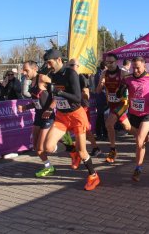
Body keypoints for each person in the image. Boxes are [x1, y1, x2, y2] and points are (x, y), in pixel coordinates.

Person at [41, 49, 100, 191]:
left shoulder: (71, 73)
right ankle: (71, 150)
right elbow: (55, 95)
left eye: (50, 62)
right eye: (47, 63)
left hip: (76, 115)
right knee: (48, 147)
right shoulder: (51, 74)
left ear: (59, 60)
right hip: (62, 116)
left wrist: (58, 91)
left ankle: (93, 175)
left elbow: (77, 98)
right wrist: (50, 103)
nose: (48, 66)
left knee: (83, 152)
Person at [116, 57, 149, 181]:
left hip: (147, 114)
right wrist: (120, 90)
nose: (135, 70)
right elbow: (118, 93)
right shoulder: (127, 78)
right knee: (142, 138)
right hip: (134, 114)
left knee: (139, 140)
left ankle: (138, 168)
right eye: (134, 68)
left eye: (138, 68)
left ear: (144, 66)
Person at [17, 61, 55, 177]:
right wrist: (25, 107)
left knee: (41, 147)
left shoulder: (43, 78)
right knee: (35, 147)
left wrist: (49, 109)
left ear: (35, 69)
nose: (24, 73)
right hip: (38, 116)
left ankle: (62, 145)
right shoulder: (31, 82)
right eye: (23, 70)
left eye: (26, 70)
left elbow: (58, 94)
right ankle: (50, 166)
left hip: (48, 116)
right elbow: (36, 102)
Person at [96, 54, 130, 163]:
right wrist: (101, 84)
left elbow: (132, 86)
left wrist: (123, 88)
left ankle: (113, 150)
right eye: (107, 62)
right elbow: (97, 91)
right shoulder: (104, 73)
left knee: (108, 124)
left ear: (116, 62)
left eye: (112, 62)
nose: (109, 65)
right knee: (128, 128)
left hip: (122, 104)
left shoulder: (123, 73)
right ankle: (148, 138)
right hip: (111, 105)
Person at [68, 58, 101, 159]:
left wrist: (79, 95)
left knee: (84, 129)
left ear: (78, 66)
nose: (70, 67)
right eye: (69, 65)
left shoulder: (81, 77)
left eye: (72, 65)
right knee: (79, 129)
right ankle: (84, 149)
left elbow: (86, 94)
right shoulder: (69, 76)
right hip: (73, 107)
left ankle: (91, 149)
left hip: (83, 107)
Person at [94, 61, 108, 140]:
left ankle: (101, 133)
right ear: (105, 67)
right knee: (101, 116)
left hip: (100, 97)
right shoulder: (101, 74)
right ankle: (101, 134)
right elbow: (102, 86)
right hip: (101, 97)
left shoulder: (98, 73)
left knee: (101, 116)